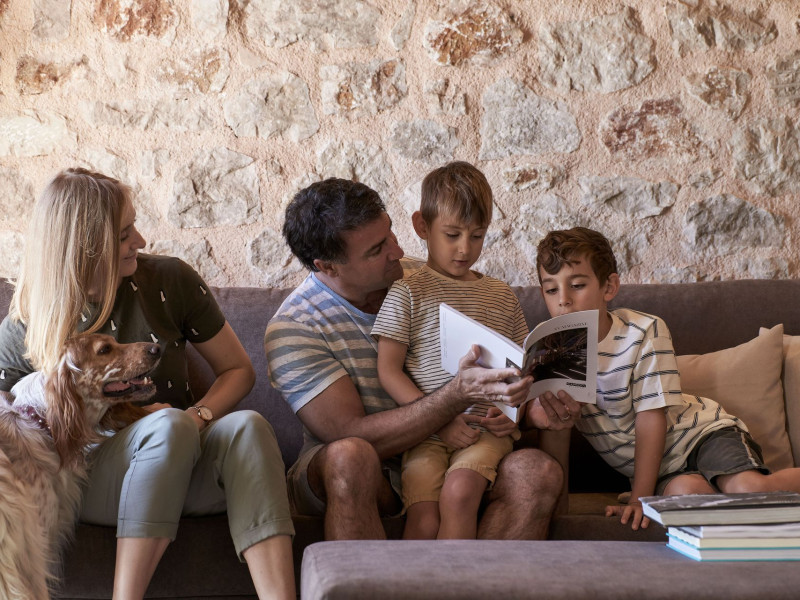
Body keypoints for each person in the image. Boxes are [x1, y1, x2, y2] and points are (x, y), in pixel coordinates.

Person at [0, 168, 295, 600]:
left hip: (183, 453)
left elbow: (239, 370)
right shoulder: (30, 320)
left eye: (133, 227)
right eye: (124, 235)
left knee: (248, 426)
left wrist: (198, 416)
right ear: (86, 246)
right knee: (166, 426)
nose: (140, 240)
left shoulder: (169, 280)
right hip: (93, 478)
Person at [264, 177, 579, 542]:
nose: (397, 251)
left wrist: (529, 406)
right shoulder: (295, 327)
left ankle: (469, 576)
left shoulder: (430, 277)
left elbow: (504, 366)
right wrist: (452, 400)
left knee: (537, 470)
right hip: (367, 468)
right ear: (329, 266)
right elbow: (349, 432)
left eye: (390, 233)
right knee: (350, 457)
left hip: (466, 445)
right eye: (377, 249)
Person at [535, 226, 800, 531]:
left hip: (702, 436)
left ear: (609, 287)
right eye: (551, 290)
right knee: (688, 497)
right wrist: (556, 519)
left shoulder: (643, 331)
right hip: (664, 469)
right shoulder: (551, 355)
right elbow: (556, 428)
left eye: (577, 285)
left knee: (748, 489)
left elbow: (651, 418)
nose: (564, 300)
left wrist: (640, 499)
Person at [372, 162, 530, 540]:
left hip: (484, 430)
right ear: (422, 226)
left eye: (477, 236)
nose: (465, 248)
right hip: (426, 432)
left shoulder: (501, 295)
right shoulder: (408, 291)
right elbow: (388, 370)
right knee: (424, 519)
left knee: (460, 493)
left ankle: (457, 576)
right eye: (452, 234)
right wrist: (437, 420)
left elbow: (524, 368)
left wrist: (515, 414)